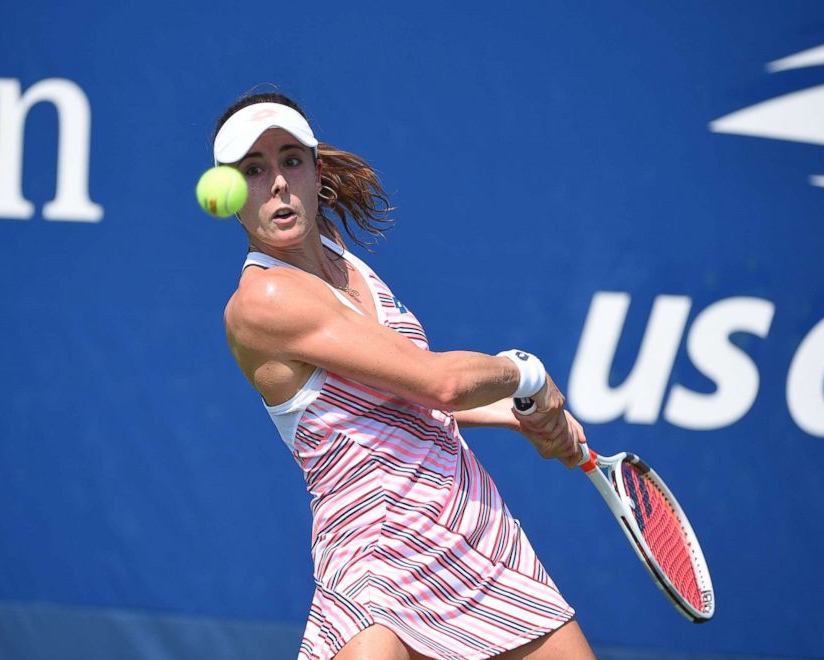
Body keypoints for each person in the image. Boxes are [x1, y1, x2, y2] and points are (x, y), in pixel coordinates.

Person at [215, 90, 596, 660]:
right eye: (253, 169)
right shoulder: (263, 300)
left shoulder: (334, 253)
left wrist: (514, 417)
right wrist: (528, 377)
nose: (275, 183)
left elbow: (398, 401)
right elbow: (436, 383)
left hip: (476, 530)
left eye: (291, 160)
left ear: (316, 171)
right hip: (378, 560)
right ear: (226, 194)